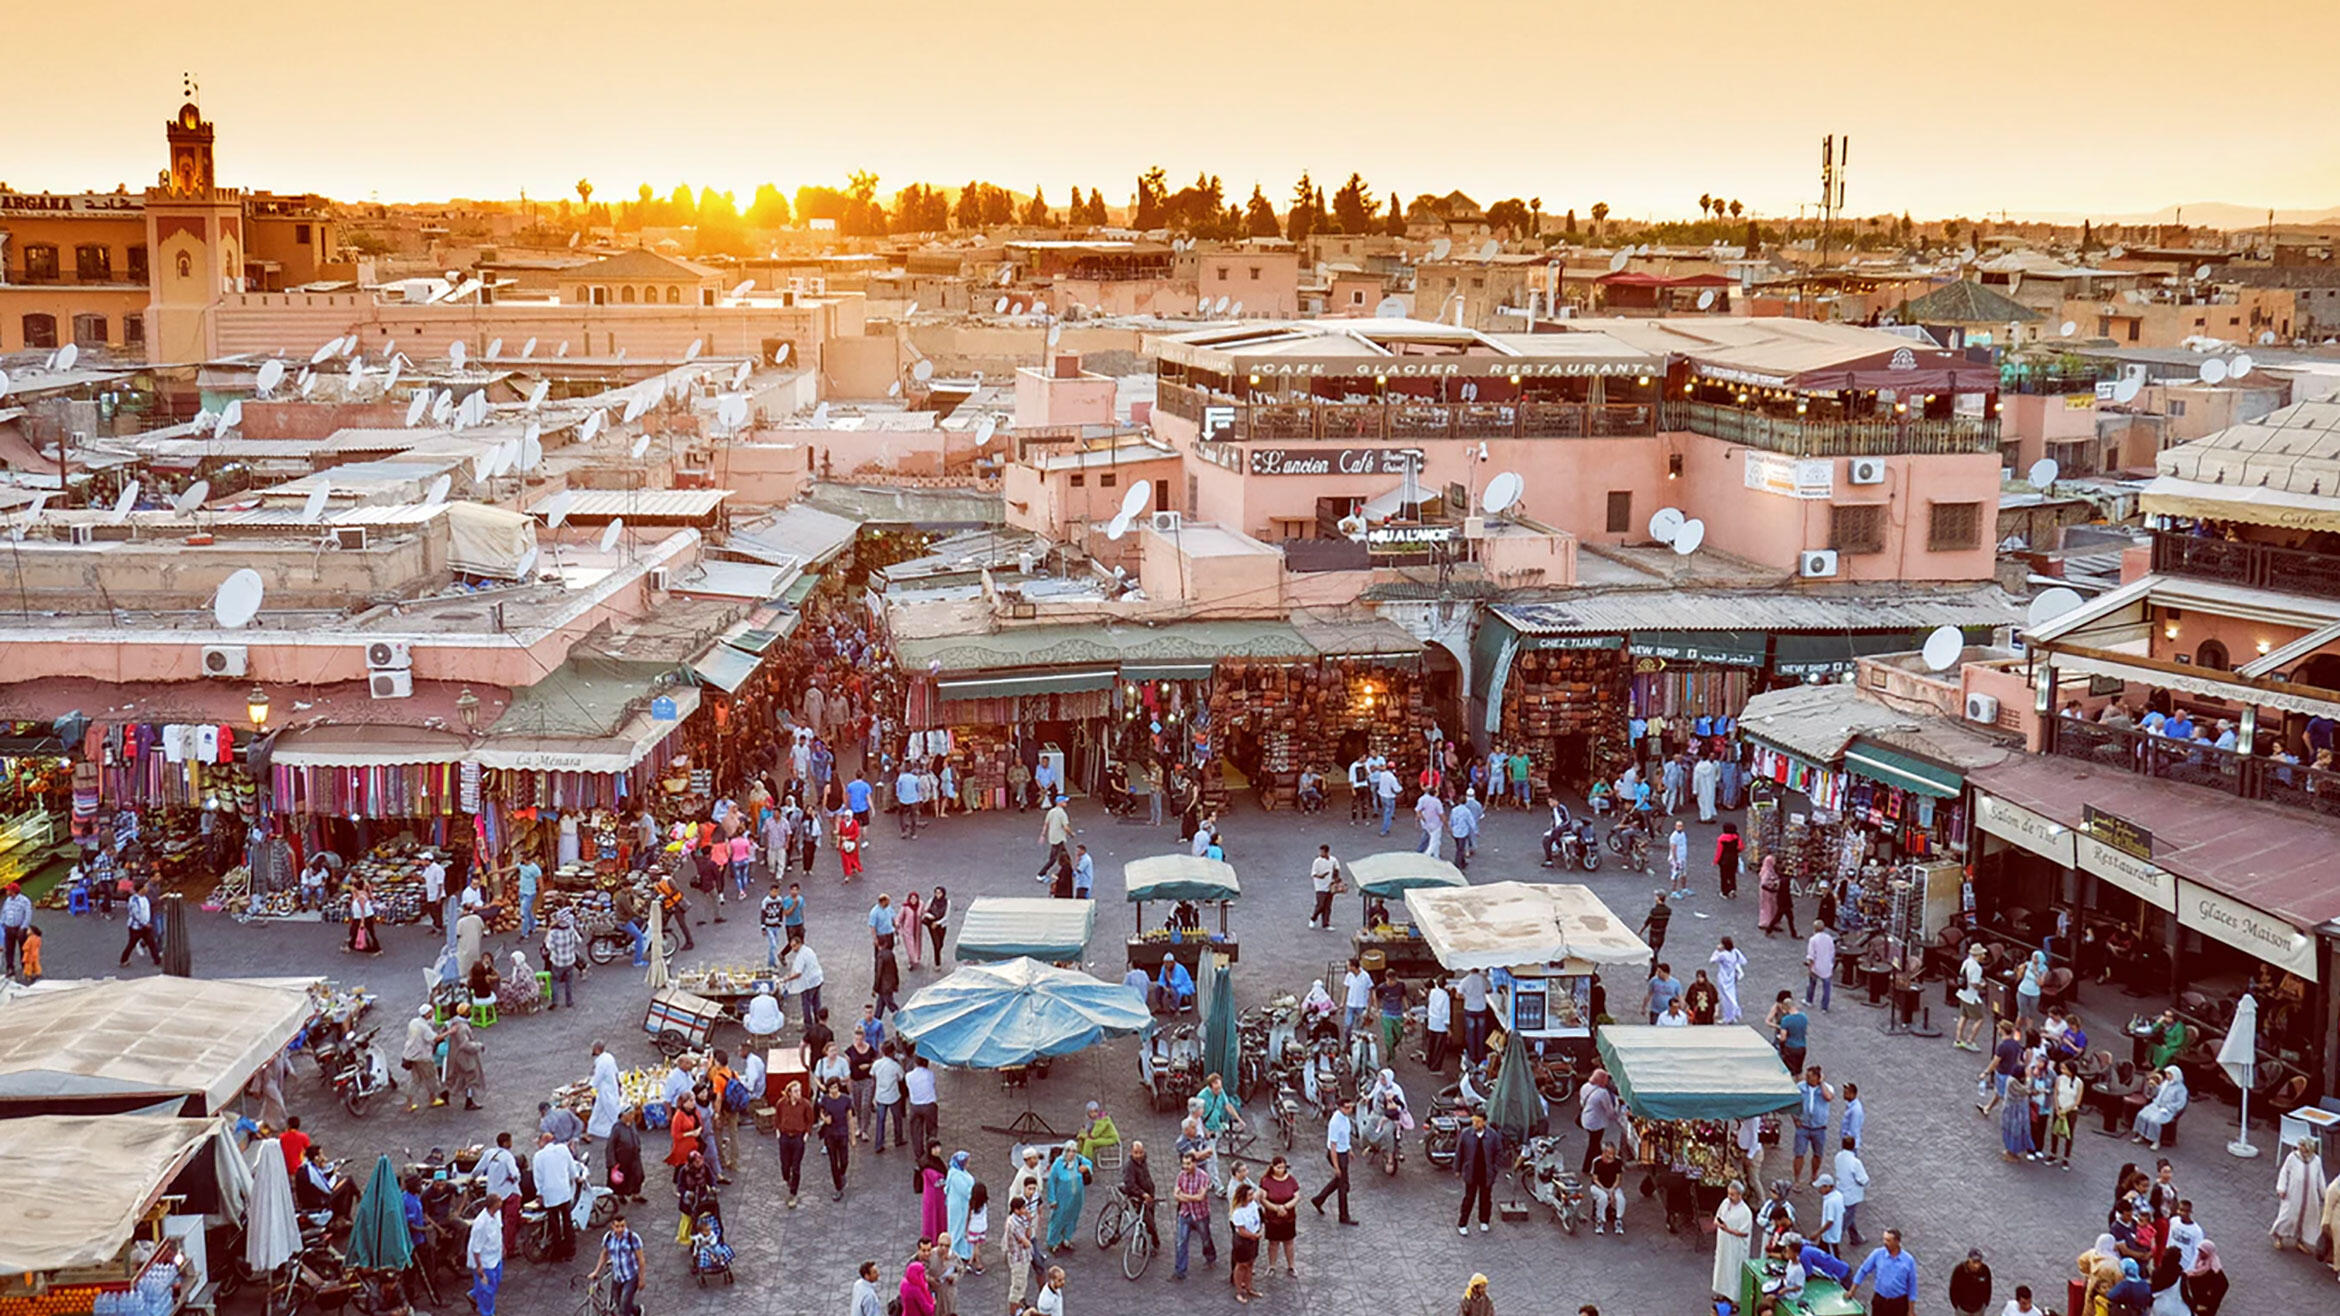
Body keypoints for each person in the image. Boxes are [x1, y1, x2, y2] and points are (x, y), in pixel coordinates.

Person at [2269, 1136, 2326, 1250]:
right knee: (2288, 1216)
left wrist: (2324, 1194)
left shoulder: (2316, 1160)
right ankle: (2278, 1236)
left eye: (2303, 1145)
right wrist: (2281, 1188)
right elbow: (2284, 1172)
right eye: (2300, 1145)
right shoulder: (2293, 1157)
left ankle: (2300, 1240)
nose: (2301, 1148)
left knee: (2307, 1219)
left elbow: (2320, 1178)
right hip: (2293, 1194)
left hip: (2310, 1197)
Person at [534, 1131, 582, 1262]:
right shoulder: (563, 1149)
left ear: (543, 1142)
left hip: (549, 1195)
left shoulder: (538, 1156)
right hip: (563, 1191)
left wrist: (539, 1193)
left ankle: (558, 1252)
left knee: (554, 1224)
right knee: (567, 1221)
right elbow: (571, 1167)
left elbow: (538, 1178)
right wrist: (576, 1177)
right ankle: (570, 1250)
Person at [1455, 1108, 1502, 1235]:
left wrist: (1495, 1168)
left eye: (1478, 1122)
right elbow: (1460, 1153)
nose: (1475, 1124)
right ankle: (1462, 1223)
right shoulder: (1466, 1134)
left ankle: (1484, 1221)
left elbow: (1498, 1153)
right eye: (1473, 1121)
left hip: (1486, 1173)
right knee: (1469, 1198)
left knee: (1485, 1198)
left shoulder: (1492, 1136)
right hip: (1471, 1172)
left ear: (1484, 1122)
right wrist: (1458, 1169)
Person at [1310, 1095, 1356, 1224]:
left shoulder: (1345, 1118)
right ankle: (1343, 1216)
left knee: (1340, 1181)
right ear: (1340, 1108)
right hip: (1337, 1155)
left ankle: (1319, 1199)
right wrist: (1336, 1166)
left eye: (1350, 1107)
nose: (1349, 1110)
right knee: (1342, 1186)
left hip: (1343, 1153)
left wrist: (1349, 1149)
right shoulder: (1336, 1122)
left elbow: (1345, 1137)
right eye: (1346, 1108)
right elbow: (1333, 1146)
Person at [1851, 1229, 1919, 1316]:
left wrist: (1911, 1310)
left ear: (1897, 1241)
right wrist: (1852, 1291)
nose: (1885, 1242)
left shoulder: (1908, 1260)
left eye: (1888, 1240)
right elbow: (1863, 1270)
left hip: (1898, 1303)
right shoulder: (1877, 1254)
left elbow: (1912, 1285)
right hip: (1880, 1301)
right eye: (1884, 1239)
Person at [588, 1211, 645, 1316]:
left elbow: (641, 1260)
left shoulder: (633, 1238)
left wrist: (641, 1279)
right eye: (617, 1226)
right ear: (612, 1226)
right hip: (617, 1277)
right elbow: (604, 1254)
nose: (620, 1229)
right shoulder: (609, 1237)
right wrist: (596, 1271)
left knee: (623, 1310)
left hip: (630, 1277)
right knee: (619, 1303)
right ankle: (637, 1310)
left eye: (622, 1226)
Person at [1172, 1148, 1217, 1279]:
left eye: (1188, 1163)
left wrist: (1184, 1196)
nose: (1185, 1166)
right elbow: (1176, 1195)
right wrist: (1191, 1197)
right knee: (1181, 1241)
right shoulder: (1181, 1175)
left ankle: (1210, 1257)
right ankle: (1180, 1270)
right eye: (1184, 1163)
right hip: (1185, 1213)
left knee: (1205, 1239)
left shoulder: (1203, 1176)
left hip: (1200, 1214)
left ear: (1195, 1163)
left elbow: (1200, 1197)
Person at [1043, 1141, 1091, 1252]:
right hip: (1062, 1198)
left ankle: (1067, 1239)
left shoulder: (1078, 1160)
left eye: (1074, 1151)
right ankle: (1053, 1242)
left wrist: (1086, 1168)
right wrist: (1052, 1199)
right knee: (1058, 1219)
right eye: (1069, 1151)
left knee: (1072, 1218)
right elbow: (1051, 1183)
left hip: (1077, 1198)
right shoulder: (1058, 1164)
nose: (1071, 1154)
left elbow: (1088, 1163)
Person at [1711, 1180, 1754, 1299]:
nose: (1730, 1197)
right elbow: (1717, 1216)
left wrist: (1727, 1229)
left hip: (1736, 1247)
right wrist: (1718, 1224)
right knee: (1722, 1266)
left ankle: (1734, 1299)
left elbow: (1744, 1233)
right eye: (1729, 1193)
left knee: (1734, 1270)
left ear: (1740, 1195)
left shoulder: (1745, 1212)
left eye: (1733, 1194)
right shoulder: (1725, 1203)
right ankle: (1721, 1292)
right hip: (1723, 1243)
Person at [1257, 1154, 1299, 1277]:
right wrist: (1276, 1208)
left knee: (1289, 1242)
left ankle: (1291, 1266)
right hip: (1272, 1218)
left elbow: (1297, 1196)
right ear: (1273, 1167)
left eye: (1283, 1167)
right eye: (1278, 1167)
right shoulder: (1266, 1181)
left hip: (1288, 1217)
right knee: (1273, 1243)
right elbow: (1263, 1199)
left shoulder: (1291, 1179)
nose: (1281, 1170)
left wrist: (1285, 1207)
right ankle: (1272, 1265)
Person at [2130, 1065, 2187, 1149]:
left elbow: (2180, 1103)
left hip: (2167, 1109)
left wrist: (2169, 1107)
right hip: (2156, 1104)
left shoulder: (2181, 1089)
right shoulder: (2165, 1083)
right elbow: (2158, 1091)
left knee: (2154, 1121)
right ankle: (2141, 1135)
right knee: (2142, 1115)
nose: (2167, 1076)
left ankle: (2155, 1141)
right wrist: (2153, 1087)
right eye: (2167, 1074)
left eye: (2169, 1074)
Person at [468, 1192, 506, 1316]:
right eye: (499, 1201)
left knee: (496, 1280)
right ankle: (488, 1313)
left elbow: (499, 1231)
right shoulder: (480, 1224)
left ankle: (473, 1294)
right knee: (488, 1289)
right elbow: (476, 1248)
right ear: (493, 1205)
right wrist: (479, 1266)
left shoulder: (497, 1214)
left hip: (495, 1255)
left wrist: (503, 1246)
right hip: (484, 1260)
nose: (502, 1202)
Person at [817, 1077, 855, 1200]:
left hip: (842, 1133)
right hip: (830, 1134)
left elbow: (850, 1118)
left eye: (836, 1087)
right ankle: (838, 1187)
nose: (834, 1090)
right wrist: (824, 1118)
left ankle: (842, 1173)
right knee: (833, 1161)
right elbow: (821, 1111)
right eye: (831, 1088)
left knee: (844, 1160)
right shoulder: (825, 1099)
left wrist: (852, 1136)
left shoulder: (845, 1100)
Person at [1228, 1181, 1263, 1303]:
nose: (1252, 1196)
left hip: (1253, 1238)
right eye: (1249, 1195)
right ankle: (1239, 1291)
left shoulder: (1253, 1204)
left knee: (1250, 1263)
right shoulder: (1238, 1212)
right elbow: (1241, 1231)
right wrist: (1254, 1235)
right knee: (1241, 1265)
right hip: (1243, 1242)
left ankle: (1249, 1287)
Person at [444, 1010, 487, 1110]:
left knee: (459, 1078)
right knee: (471, 1078)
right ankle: (469, 1101)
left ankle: (447, 1093)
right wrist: (478, 1046)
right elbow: (465, 1044)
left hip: (456, 1055)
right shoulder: (462, 1027)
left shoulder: (453, 1023)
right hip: (464, 1057)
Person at [1833, 1137, 1869, 1247]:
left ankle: (1855, 1237)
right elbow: (1863, 1179)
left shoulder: (1838, 1157)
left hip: (1841, 1191)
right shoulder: (1855, 1162)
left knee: (1850, 1217)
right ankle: (1834, 1241)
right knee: (1846, 1219)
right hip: (1851, 1195)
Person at [1953, 944, 1989, 1052]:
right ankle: (1970, 1040)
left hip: (1963, 993)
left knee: (1963, 1016)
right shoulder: (1977, 968)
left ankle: (1958, 1039)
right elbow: (1974, 984)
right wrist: (1982, 985)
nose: (1984, 955)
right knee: (1980, 1019)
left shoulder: (1966, 961)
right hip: (1971, 996)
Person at [610, 1106, 647, 1205]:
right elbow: (611, 1145)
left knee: (638, 1175)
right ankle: (620, 1195)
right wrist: (612, 1162)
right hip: (622, 1159)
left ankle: (636, 1195)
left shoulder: (632, 1124)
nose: (633, 1116)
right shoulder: (617, 1128)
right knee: (623, 1178)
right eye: (631, 1114)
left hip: (634, 1157)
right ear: (624, 1115)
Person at [119, 882, 161, 965]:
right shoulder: (134, 900)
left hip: (145, 926)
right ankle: (123, 959)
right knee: (132, 944)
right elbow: (136, 914)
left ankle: (157, 960)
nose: (147, 888)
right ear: (141, 889)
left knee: (151, 943)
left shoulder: (145, 898)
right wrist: (145, 923)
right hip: (136, 927)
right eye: (145, 887)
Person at [2181, 1241, 2228, 1315]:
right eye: (2199, 1251)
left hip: (2206, 1305)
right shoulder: (2201, 1263)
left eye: (2202, 1251)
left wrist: (2206, 1304)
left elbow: (2221, 1288)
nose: (2200, 1253)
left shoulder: (2214, 1271)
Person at [1709, 936, 1748, 1023]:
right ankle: (1732, 1015)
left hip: (1723, 978)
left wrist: (1717, 951)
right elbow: (1743, 961)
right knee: (1731, 995)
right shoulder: (1735, 952)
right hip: (1731, 977)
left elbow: (1712, 960)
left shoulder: (1723, 955)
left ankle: (1728, 1016)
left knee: (1725, 998)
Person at [1949, 1248, 1993, 1316]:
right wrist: (1957, 1306)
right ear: (1969, 1260)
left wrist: (1985, 1303)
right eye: (1974, 1262)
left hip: (1978, 1309)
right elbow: (1953, 1289)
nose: (1976, 1265)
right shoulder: (1959, 1270)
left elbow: (1988, 1288)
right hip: (1963, 1309)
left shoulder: (1985, 1270)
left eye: (1978, 1262)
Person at [1639, 894, 1671, 973]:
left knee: (1653, 956)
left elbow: (1648, 922)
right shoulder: (1668, 910)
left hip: (1654, 934)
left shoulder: (1654, 911)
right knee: (1655, 953)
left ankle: (1654, 972)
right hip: (1662, 934)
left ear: (1659, 899)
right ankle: (1654, 971)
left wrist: (1641, 931)